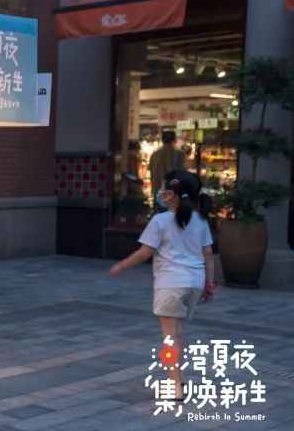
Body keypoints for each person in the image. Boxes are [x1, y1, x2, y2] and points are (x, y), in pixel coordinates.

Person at [109, 170, 215, 399]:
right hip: (195, 283)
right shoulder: (201, 220)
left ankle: (175, 386)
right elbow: (208, 254)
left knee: (169, 337)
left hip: (170, 284)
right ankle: (178, 378)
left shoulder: (160, 220)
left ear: (170, 194)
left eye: (163, 188)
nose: (160, 192)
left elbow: (144, 253)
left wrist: (121, 266)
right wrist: (210, 284)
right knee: (177, 333)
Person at [149, 131, 186, 206]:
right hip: (173, 195)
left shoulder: (154, 155)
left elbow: (151, 172)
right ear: (175, 140)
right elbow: (183, 174)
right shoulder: (180, 154)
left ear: (162, 140)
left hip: (158, 193)